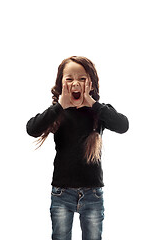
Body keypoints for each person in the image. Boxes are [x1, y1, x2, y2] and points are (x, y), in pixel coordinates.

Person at [26, 56, 128, 240]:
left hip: (93, 194)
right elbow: (31, 129)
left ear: (91, 83)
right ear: (61, 83)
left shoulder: (99, 111)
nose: (76, 83)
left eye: (82, 78)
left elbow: (123, 125)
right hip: (61, 193)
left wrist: (93, 104)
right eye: (69, 78)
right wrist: (59, 107)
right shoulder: (58, 112)